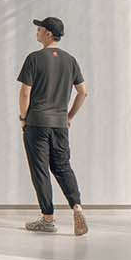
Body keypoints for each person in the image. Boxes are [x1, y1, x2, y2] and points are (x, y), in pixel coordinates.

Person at [17, 16, 89, 236]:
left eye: (39, 29)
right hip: (59, 124)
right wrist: (69, 116)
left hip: (37, 122)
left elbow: (25, 91)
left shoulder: (34, 58)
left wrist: (23, 117)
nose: (36, 32)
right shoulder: (70, 60)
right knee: (62, 166)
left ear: (48, 33)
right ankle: (77, 206)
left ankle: (48, 218)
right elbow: (83, 92)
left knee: (40, 170)